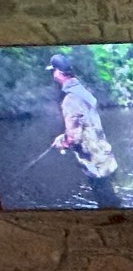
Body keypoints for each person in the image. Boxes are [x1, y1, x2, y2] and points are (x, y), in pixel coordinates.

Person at [47, 53, 120, 207]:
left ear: (59, 72)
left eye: (53, 71)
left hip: (95, 165)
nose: (52, 75)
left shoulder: (70, 100)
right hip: (106, 157)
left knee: (107, 205)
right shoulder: (83, 92)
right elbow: (86, 124)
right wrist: (65, 136)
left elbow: (74, 137)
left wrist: (63, 143)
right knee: (113, 200)